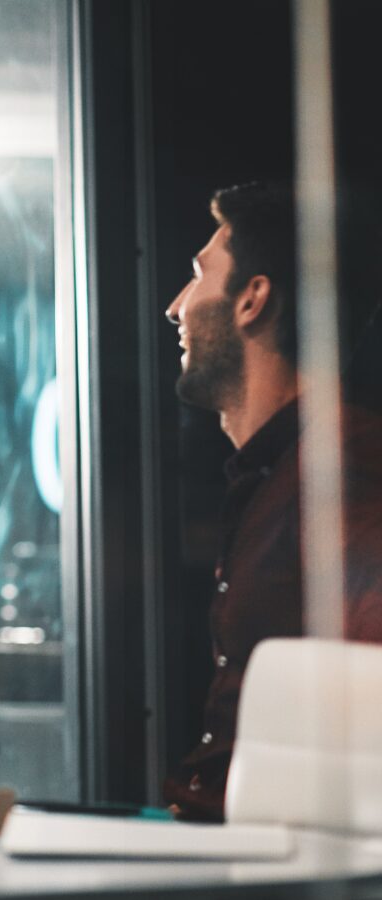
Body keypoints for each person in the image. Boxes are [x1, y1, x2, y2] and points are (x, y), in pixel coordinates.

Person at [161, 182, 382, 821]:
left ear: (252, 298)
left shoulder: (343, 467)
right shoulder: (278, 472)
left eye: (199, 276)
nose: (176, 307)